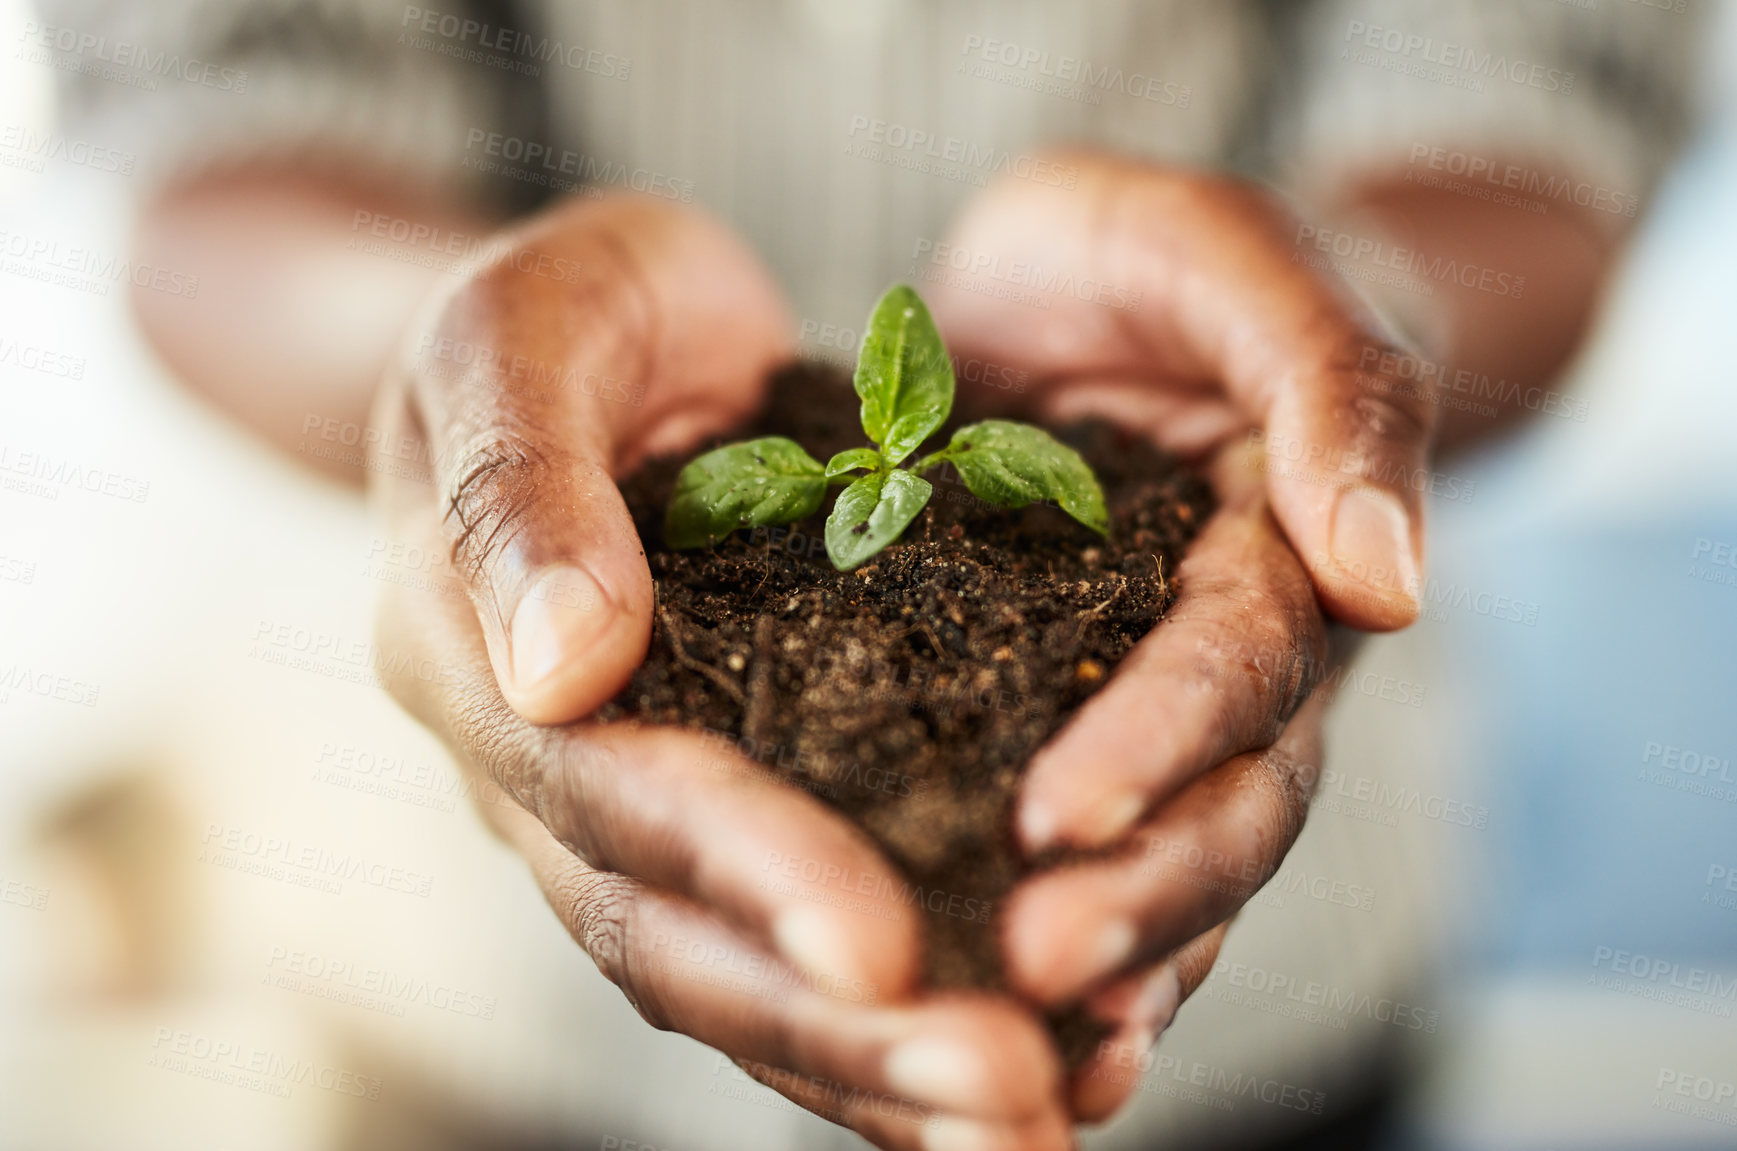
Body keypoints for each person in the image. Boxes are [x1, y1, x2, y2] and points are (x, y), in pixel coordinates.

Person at [38, 1, 1701, 1146]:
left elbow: (1525, 104)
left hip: (1250, 994)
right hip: (447, 973)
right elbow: (219, 117)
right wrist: (444, 361)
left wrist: (1338, 338)